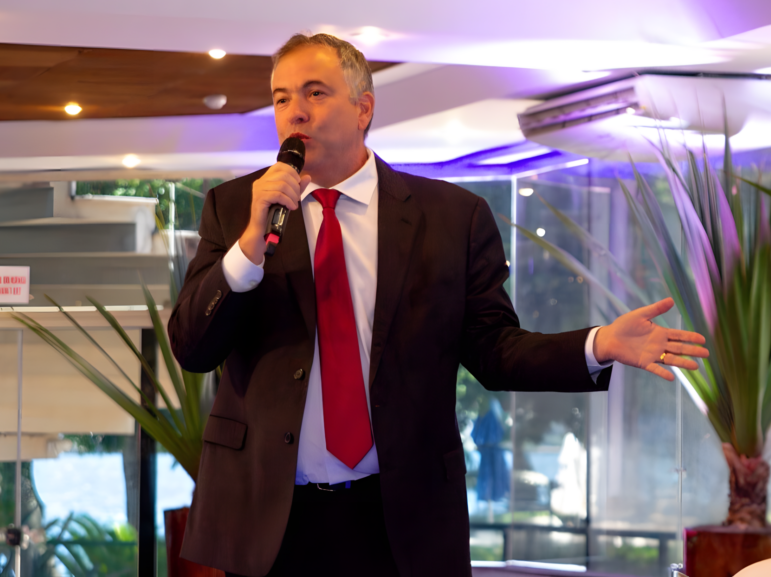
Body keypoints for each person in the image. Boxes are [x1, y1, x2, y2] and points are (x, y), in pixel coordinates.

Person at [167, 32, 708, 577]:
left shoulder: (451, 217)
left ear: (363, 108)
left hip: (401, 518)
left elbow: (495, 350)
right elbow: (192, 347)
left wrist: (598, 345)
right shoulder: (237, 207)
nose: (294, 112)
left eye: (315, 93)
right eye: (282, 97)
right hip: (269, 521)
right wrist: (247, 249)